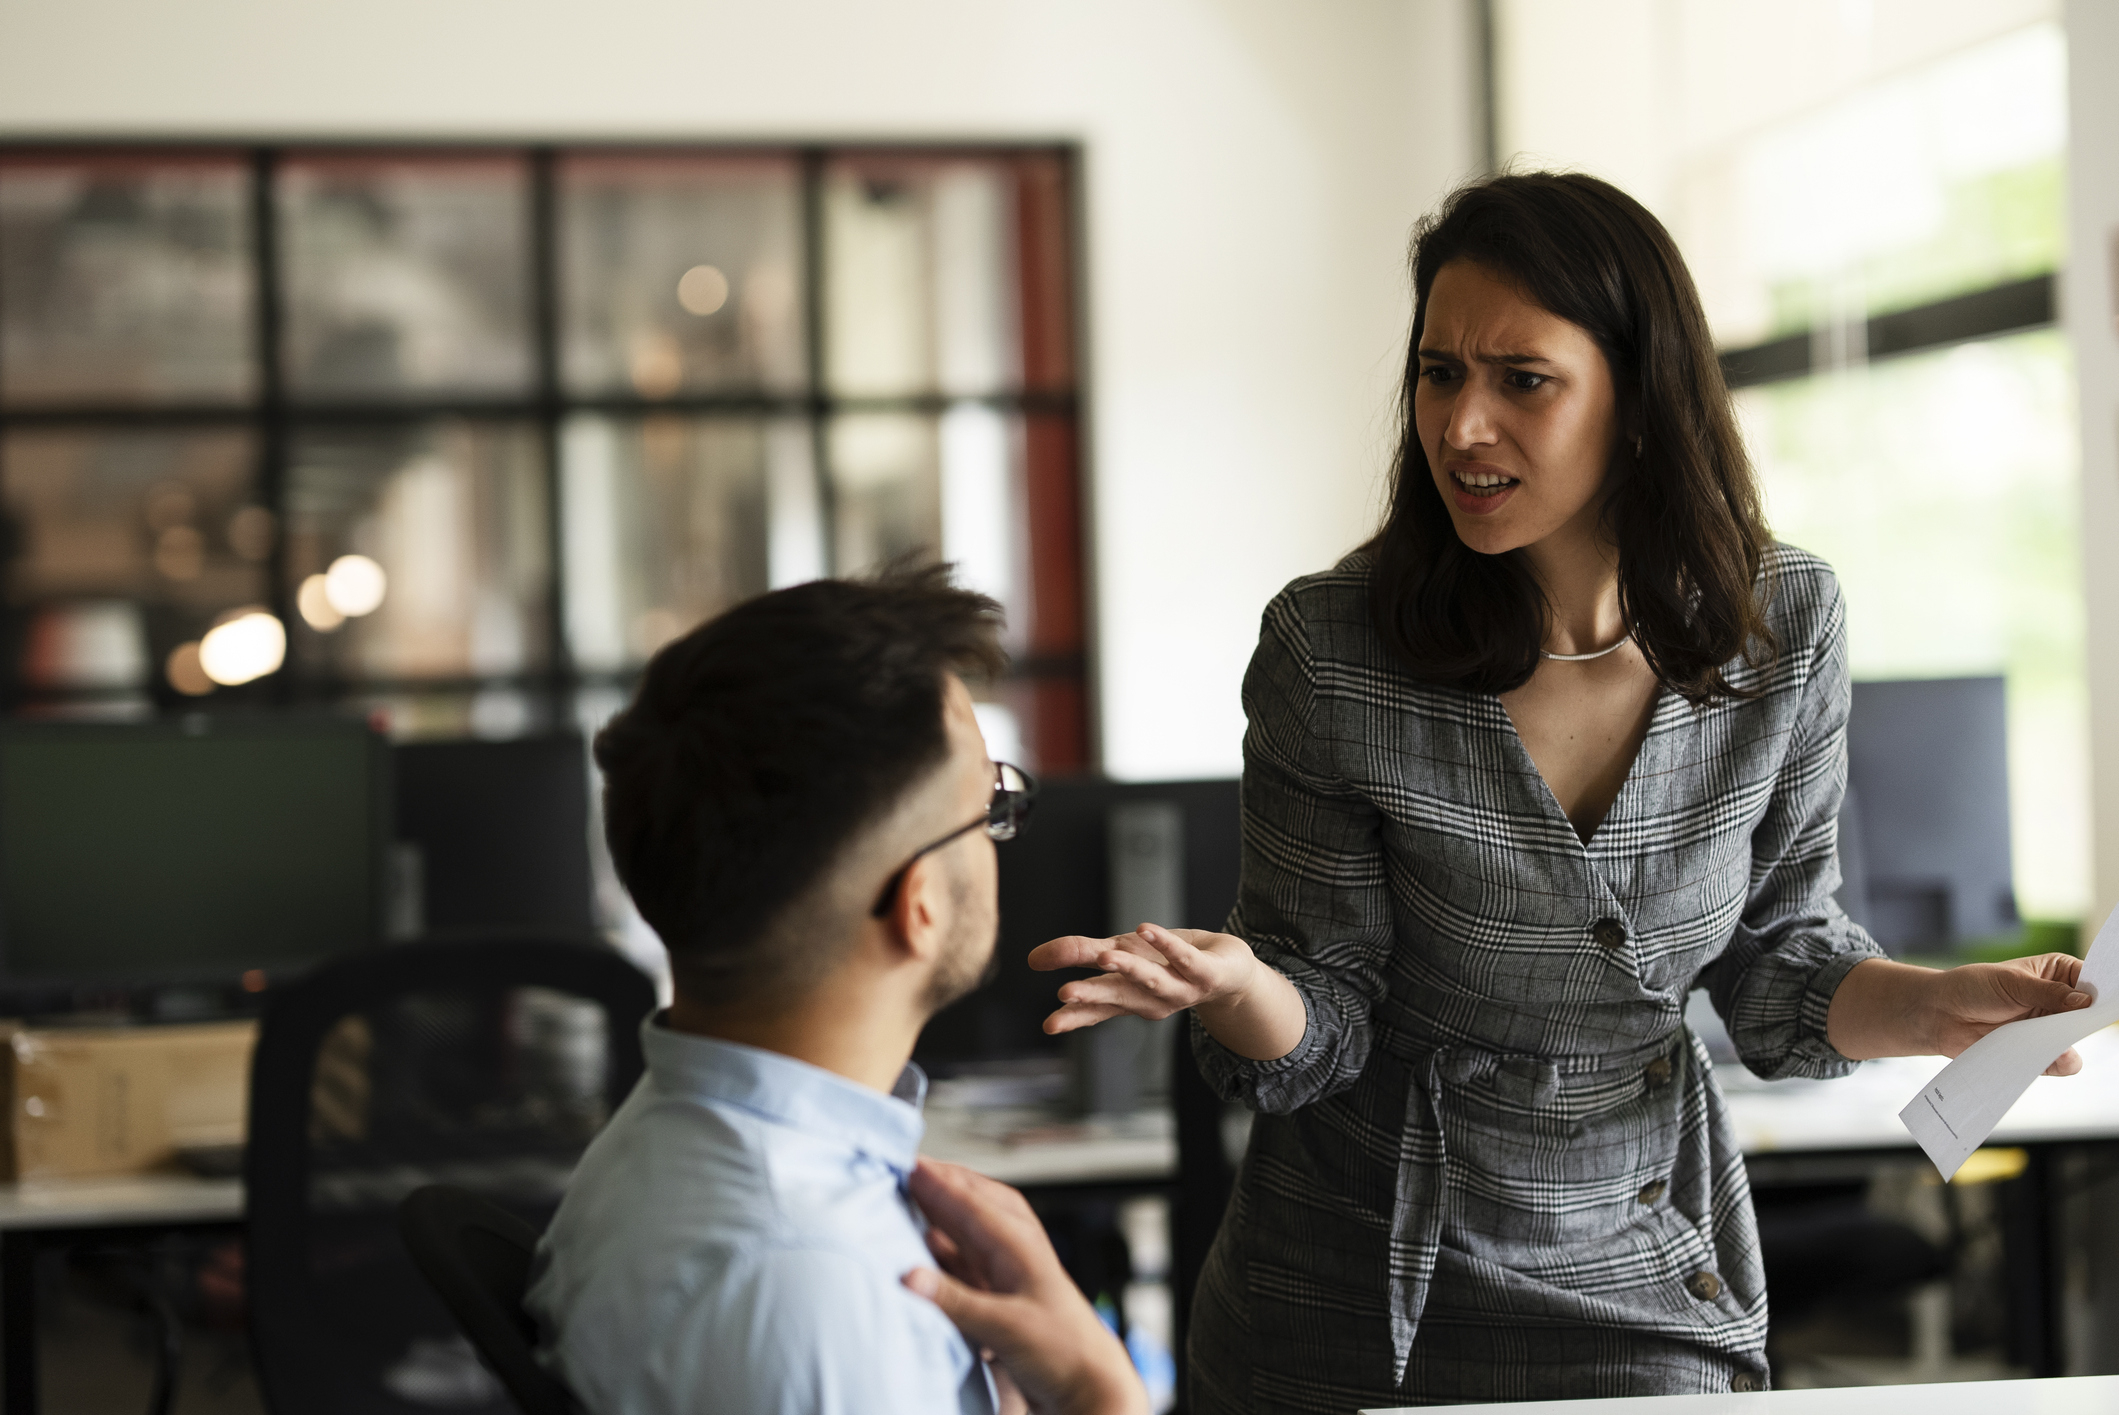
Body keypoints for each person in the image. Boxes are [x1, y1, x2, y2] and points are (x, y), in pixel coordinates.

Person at [1031, 172, 2093, 1411]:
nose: (1462, 425)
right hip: (1349, 1294)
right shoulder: (1335, 649)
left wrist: (1939, 1005)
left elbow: (1777, 960)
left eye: (1520, 380)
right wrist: (1239, 986)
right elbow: (1323, 1015)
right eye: (1438, 373)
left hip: (1644, 1269)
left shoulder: (1780, 623)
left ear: (1638, 401)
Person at [527, 567, 1145, 1415]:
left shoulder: (659, 1142)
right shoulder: (813, 1289)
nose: (1000, 837)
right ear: (918, 902)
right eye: (989, 803)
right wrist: (1096, 1387)